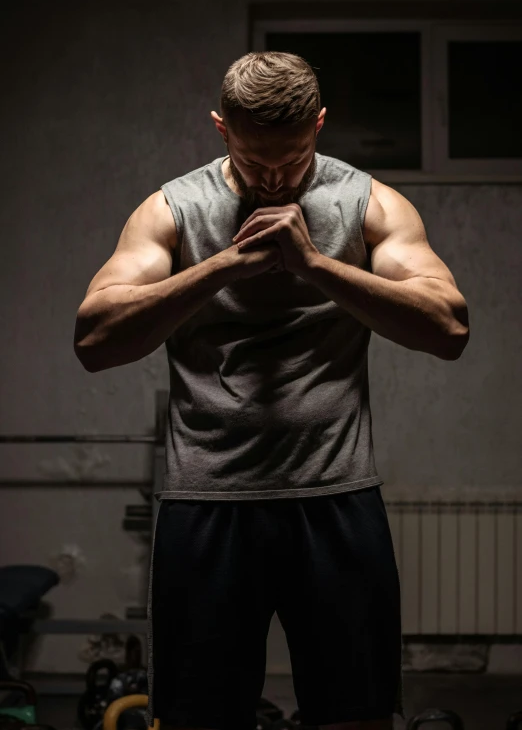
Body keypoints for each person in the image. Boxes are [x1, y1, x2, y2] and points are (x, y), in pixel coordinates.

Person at [74, 52, 470, 730]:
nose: (275, 177)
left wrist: (314, 265)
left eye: (292, 157)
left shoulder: (367, 202)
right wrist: (225, 264)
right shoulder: (174, 209)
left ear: (318, 124)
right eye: (257, 161)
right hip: (209, 501)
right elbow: (94, 338)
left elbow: (449, 324)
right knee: (201, 716)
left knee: (355, 714)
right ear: (221, 129)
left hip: (336, 494)